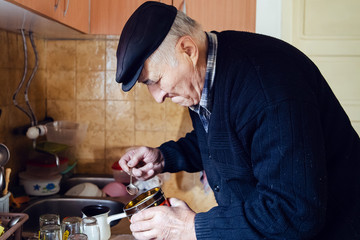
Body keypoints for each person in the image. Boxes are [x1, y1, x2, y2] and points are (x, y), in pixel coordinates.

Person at [116, 1, 360, 239]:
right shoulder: (205, 74)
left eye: (155, 81)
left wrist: (190, 227)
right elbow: (226, 139)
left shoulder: (267, 88)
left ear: (187, 50)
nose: (157, 97)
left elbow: (294, 212)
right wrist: (164, 157)